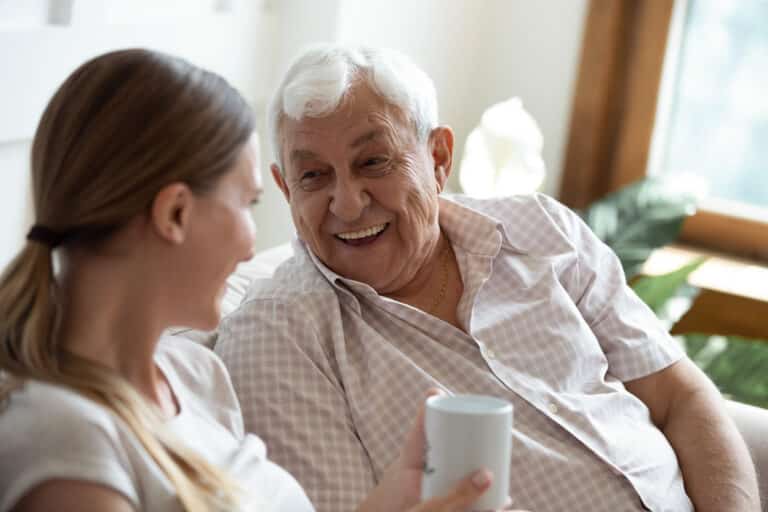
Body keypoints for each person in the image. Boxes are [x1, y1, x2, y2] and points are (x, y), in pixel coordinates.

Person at [214, 43, 762, 512]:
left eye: (373, 162)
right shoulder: (278, 337)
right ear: (287, 191)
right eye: (314, 176)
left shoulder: (541, 230)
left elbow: (680, 397)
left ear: (438, 157)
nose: (349, 203)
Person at [0, 48, 520, 512]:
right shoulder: (68, 441)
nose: (253, 246)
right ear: (175, 214)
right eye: (248, 203)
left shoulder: (194, 376)